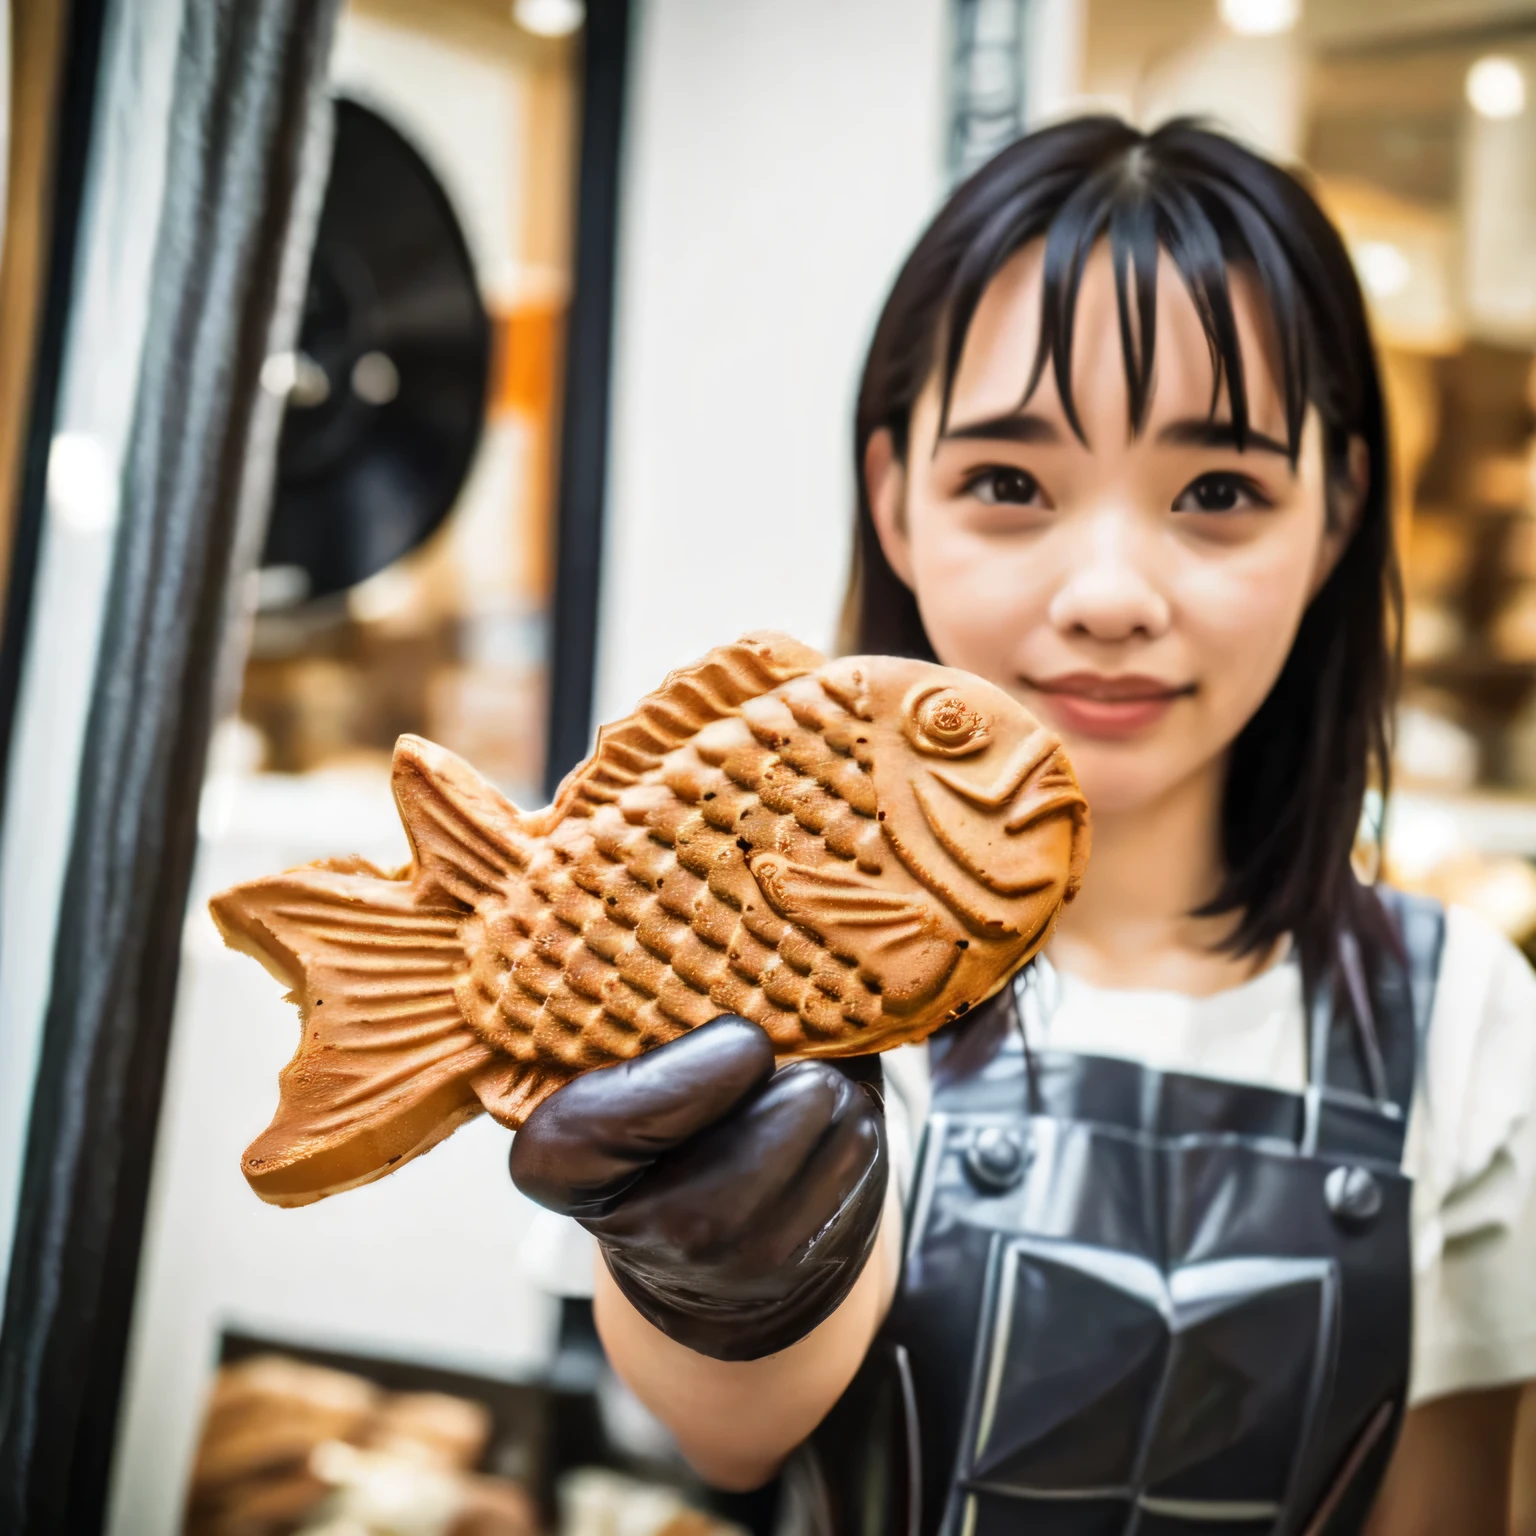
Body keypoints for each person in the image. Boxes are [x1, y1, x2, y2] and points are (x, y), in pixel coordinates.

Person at [509, 117, 1536, 1535]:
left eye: (1218, 492)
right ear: (895, 501)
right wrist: (709, 1257)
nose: (1109, 591)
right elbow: (722, 1433)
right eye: (1009, 485)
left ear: (1339, 513)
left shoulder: (1469, 1017)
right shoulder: (774, 968)